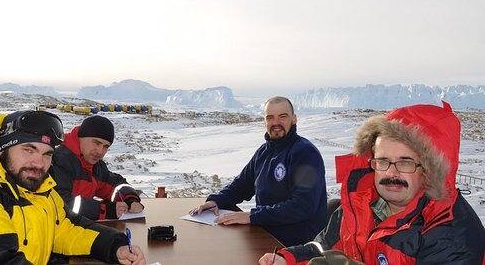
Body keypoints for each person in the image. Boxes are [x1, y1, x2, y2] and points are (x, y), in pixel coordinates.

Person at [259, 102, 485, 265]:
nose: (391, 172)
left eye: (405, 162)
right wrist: (286, 258)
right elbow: (323, 248)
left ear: (429, 169)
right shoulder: (360, 204)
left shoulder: (451, 234)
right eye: (383, 160)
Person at [0, 110, 146, 264]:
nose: (39, 163)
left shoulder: (34, 188)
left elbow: (64, 227)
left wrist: (115, 247)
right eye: (28, 150)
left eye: (47, 154)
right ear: (1, 150)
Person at [191, 96, 328, 246]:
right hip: (266, 235)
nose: (276, 123)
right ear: (264, 122)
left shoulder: (305, 153)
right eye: (270, 118)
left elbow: (302, 206)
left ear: (294, 119)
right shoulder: (264, 152)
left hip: (297, 246)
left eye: (282, 116)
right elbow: (242, 185)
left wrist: (252, 216)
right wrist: (216, 201)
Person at [50, 115, 144, 221]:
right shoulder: (59, 161)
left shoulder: (95, 165)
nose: (100, 151)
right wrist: (104, 211)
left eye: (105, 146)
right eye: (96, 143)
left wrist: (130, 199)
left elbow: (116, 184)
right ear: (80, 137)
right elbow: (60, 203)